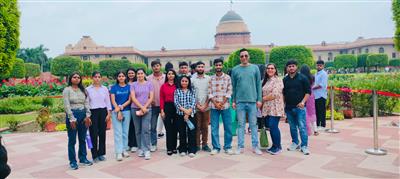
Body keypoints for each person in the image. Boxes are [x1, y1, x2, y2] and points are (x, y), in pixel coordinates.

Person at [231, 48, 262, 155]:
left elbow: (258, 84)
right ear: (239, 58)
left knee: (253, 125)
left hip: (253, 101)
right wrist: (234, 100)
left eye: (246, 55)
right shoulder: (235, 70)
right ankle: (240, 146)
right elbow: (233, 87)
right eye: (242, 56)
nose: (244, 57)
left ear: (248, 57)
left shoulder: (255, 68)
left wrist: (259, 99)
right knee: (240, 125)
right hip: (240, 102)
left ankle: (255, 146)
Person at [63, 72, 93, 170]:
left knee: (82, 138)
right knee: (72, 140)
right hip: (72, 115)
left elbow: (87, 103)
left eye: (78, 77)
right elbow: (66, 105)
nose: (76, 79)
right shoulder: (67, 90)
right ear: (70, 78)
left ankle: (83, 158)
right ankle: (72, 161)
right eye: (74, 77)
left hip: (83, 116)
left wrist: (88, 115)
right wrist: (71, 118)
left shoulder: (83, 90)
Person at [283, 60, 311, 155]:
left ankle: (304, 146)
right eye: (289, 66)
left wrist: (303, 102)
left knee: (302, 127)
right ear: (287, 68)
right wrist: (283, 106)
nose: (291, 68)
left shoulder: (303, 78)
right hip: (289, 108)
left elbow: (308, 92)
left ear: (296, 67)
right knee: (292, 127)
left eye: (293, 66)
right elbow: (283, 94)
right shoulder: (285, 80)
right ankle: (295, 142)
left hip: (300, 108)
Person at [208, 58, 233, 155]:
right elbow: (209, 93)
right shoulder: (211, 79)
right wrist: (215, 103)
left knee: (228, 127)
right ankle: (216, 147)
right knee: (214, 127)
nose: (218, 67)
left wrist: (222, 103)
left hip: (225, 106)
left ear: (222, 66)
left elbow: (229, 91)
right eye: (216, 65)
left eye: (220, 65)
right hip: (214, 107)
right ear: (214, 66)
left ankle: (227, 147)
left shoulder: (227, 78)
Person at [86, 71, 112, 162]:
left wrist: (109, 113)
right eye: (95, 77)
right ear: (92, 78)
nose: (97, 78)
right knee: (93, 134)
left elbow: (108, 101)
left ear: (101, 78)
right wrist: (88, 116)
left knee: (102, 133)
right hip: (93, 112)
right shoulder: (88, 89)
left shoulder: (104, 89)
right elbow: (87, 103)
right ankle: (94, 155)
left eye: (99, 77)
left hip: (103, 112)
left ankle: (101, 153)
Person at [131, 68, 154, 160]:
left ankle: (147, 149)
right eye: (138, 73)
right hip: (135, 109)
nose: (140, 75)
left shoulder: (149, 84)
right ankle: (140, 148)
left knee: (145, 129)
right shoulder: (133, 85)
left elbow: (151, 97)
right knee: (138, 130)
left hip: (147, 109)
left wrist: (145, 107)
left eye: (141, 73)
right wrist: (141, 107)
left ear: (144, 74)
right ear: (136, 75)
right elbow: (133, 97)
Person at [261, 64, 285, 155]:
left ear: (275, 70)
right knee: (270, 127)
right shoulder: (266, 81)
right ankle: (274, 145)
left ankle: (278, 147)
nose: (270, 70)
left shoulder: (278, 80)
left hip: (275, 107)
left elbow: (275, 94)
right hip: (267, 107)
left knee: (273, 126)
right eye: (268, 68)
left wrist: (263, 99)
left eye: (272, 68)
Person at [110, 71, 131, 161]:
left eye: (123, 76)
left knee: (125, 132)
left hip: (126, 110)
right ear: (117, 78)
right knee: (118, 132)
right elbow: (113, 100)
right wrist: (118, 110)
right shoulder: (114, 88)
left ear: (125, 77)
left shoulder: (129, 87)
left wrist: (121, 107)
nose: (121, 77)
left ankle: (124, 149)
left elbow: (130, 100)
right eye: (119, 76)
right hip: (116, 111)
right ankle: (118, 152)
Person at [174, 76, 197, 157]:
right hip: (180, 115)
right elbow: (176, 103)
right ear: (180, 82)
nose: (184, 82)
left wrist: (188, 113)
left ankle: (192, 150)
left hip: (191, 114)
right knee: (182, 132)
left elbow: (194, 102)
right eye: (182, 81)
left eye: (186, 81)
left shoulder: (192, 91)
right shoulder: (177, 91)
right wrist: (185, 111)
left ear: (188, 82)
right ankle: (182, 149)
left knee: (192, 132)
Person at [191, 61, 211, 152]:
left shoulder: (208, 79)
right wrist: (198, 105)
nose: (200, 68)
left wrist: (206, 104)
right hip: (196, 108)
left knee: (205, 127)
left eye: (202, 67)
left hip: (206, 107)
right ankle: (197, 145)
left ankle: (205, 144)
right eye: (199, 67)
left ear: (204, 68)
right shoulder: (192, 79)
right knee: (197, 127)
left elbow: (210, 93)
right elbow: (191, 94)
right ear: (196, 68)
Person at [147, 61, 165, 152]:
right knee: (153, 127)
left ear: (160, 66)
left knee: (168, 126)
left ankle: (170, 144)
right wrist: (150, 99)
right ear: (152, 68)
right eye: (154, 66)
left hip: (164, 106)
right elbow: (145, 91)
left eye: (157, 65)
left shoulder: (165, 77)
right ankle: (153, 144)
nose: (156, 67)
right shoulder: (148, 78)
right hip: (153, 106)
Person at [160, 69, 179, 155]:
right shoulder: (163, 86)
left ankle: (174, 147)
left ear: (175, 75)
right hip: (167, 107)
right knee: (168, 128)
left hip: (176, 107)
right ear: (166, 75)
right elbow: (161, 99)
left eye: (172, 74)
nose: (170, 75)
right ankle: (169, 148)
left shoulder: (178, 85)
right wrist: (162, 110)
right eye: (169, 74)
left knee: (175, 128)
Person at [300, 65, 319, 136]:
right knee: (312, 112)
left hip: (304, 96)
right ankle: (315, 130)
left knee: (305, 113)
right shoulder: (312, 77)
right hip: (311, 95)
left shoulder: (301, 78)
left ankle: (307, 130)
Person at [312, 60, 328, 131]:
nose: (318, 66)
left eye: (320, 65)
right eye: (317, 65)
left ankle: (323, 125)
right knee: (317, 111)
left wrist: (312, 88)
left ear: (323, 66)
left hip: (321, 95)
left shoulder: (324, 74)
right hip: (316, 95)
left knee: (321, 111)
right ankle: (318, 125)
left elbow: (321, 85)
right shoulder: (316, 74)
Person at [127, 68, 138, 152]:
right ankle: (129, 143)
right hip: (126, 107)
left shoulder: (138, 82)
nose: (131, 74)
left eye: (132, 73)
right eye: (129, 73)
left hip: (136, 106)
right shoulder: (125, 83)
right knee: (128, 126)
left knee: (135, 126)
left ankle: (135, 144)